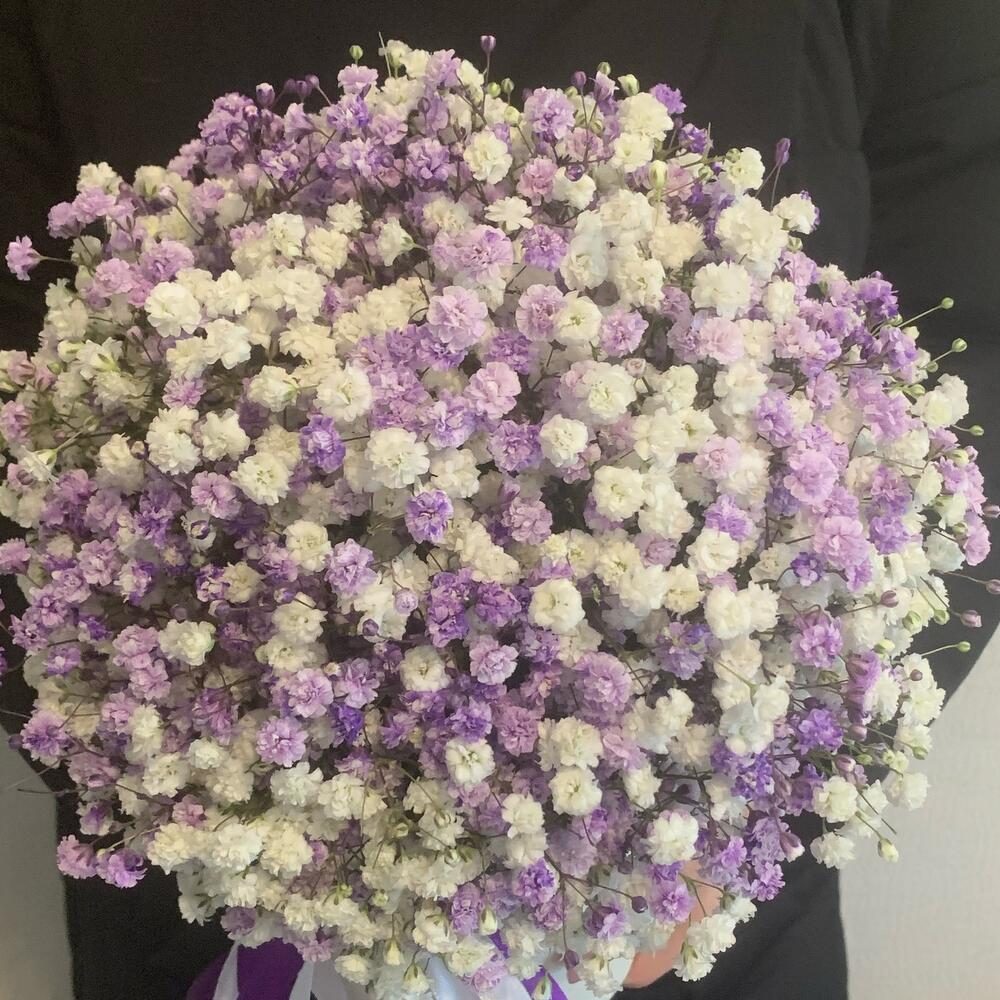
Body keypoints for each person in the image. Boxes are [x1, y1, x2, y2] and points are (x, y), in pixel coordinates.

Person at [1, 2, 998, 997]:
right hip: (235, 888)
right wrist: (202, 785)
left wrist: (730, 801)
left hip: (691, 892)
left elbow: (975, 348)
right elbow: (23, 421)